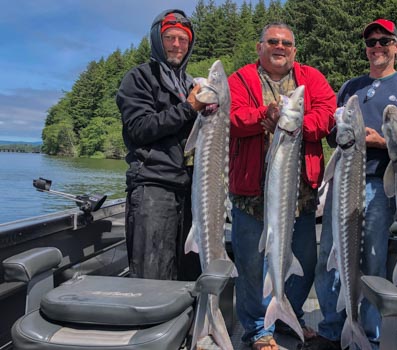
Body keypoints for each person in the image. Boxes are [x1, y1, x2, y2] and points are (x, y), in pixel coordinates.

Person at [227, 22, 336, 350]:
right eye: (272, 41)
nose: (279, 47)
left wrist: (294, 122)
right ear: (259, 47)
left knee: (302, 259)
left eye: (286, 43)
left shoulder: (311, 79)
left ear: (294, 50)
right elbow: (231, 117)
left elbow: (327, 115)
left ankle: (290, 315)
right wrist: (264, 114)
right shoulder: (241, 79)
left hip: (298, 195)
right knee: (250, 262)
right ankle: (258, 329)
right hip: (250, 193)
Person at [307, 19, 397, 350]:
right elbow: (332, 133)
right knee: (330, 255)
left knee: (373, 259)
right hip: (343, 182)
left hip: (380, 186)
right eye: (371, 42)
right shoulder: (350, 87)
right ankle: (330, 328)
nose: (377, 47)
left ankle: (368, 334)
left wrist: (382, 142)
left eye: (384, 41)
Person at [116, 9, 206, 280]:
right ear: (157, 39)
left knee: (189, 275)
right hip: (153, 188)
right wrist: (189, 108)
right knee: (152, 277)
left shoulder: (190, 84)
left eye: (183, 40)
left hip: (190, 190)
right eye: (170, 38)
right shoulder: (140, 78)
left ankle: (188, 323)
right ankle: (147, 323)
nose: (177, 45)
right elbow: (139, 129)